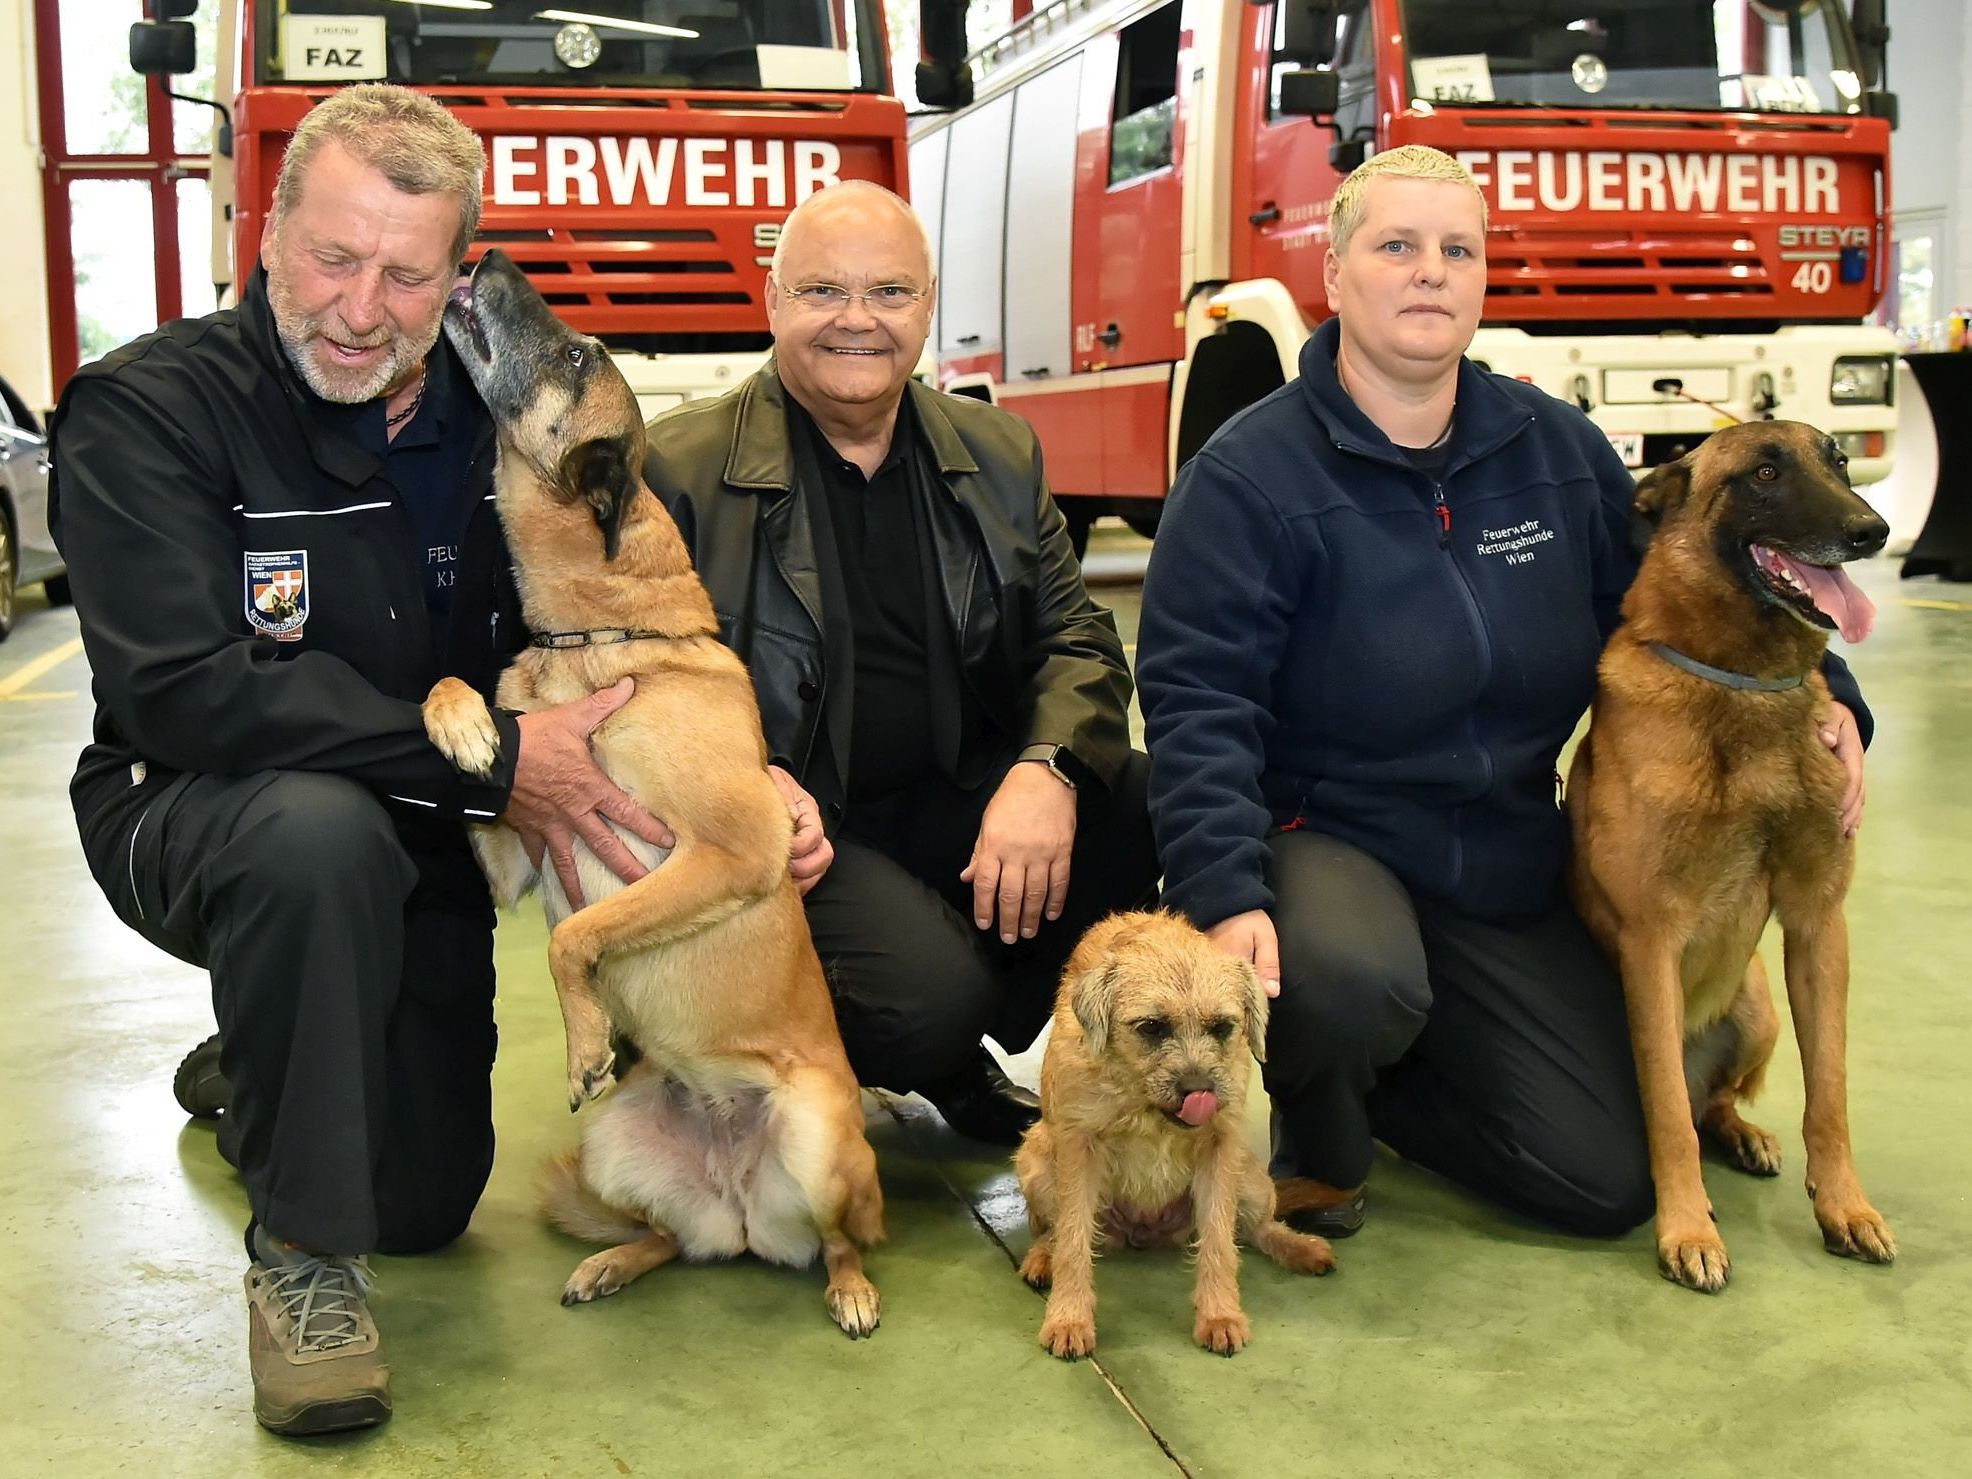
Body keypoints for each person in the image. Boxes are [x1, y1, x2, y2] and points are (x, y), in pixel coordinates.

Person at [49, 86, 673, 1436]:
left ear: (456, 279)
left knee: (425, 1199)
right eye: (333, 258)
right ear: (269, 233)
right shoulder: (149, 409)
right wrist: (494, 767)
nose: (359, 310)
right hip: (194, 804)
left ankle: (267, 1055)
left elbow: (636, 578)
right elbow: (184, 692)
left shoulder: (499, 421)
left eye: (405, 276)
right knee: (313, 834)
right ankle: (303, 1268)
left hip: (427, 826)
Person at [1135, 147, 1871, 1240]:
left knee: (1608, 1182)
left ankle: (1408, 1084)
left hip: (1505, 857)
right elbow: (1198, 705)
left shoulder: (1555, 451)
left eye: (1457, 250)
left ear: (1483, 278)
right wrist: (1224, 890)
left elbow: (1692, 589)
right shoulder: (1248, 477)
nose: (1430, 271)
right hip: (1328, 850)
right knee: (1350, 980)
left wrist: (1833, 694)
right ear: (1333, 274)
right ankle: (1328, 1133)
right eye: (1396, 246)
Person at [642, 181, 1159, 1143]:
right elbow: (631, 684)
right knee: (924, 1003)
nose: (857, 320)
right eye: (822, 291)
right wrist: (744, 781)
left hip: (956, 793)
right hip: (801, 831)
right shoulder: (678, 469)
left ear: (927, 307)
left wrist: (1046, 769)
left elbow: (1077, 636)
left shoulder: (998, 451)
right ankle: (905, 1041)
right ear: (773, 301)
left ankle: (964, 1023)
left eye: (888, 292)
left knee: (1142, 804)